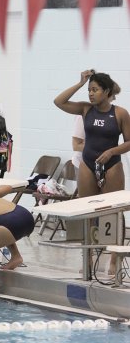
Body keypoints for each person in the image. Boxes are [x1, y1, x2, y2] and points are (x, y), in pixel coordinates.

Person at [54, 70, 130, 275]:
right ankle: (87, 258)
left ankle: (114, 259)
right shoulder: (85, 110)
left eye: (95, 90)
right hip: (88, 164)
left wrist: (112, 152)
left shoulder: (120, 113)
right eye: (89, 90)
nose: (90, 94)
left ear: (106, 91)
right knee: (86, 212)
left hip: (112, 165)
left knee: (114, 213)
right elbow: (59, 101)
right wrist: (80, 83)